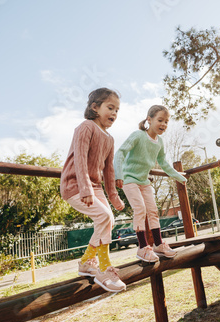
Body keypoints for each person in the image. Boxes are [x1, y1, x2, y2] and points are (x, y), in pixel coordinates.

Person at [60, 88, 126, 292]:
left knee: (109, 219)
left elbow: (109, 170)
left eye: (117, 110)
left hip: (94, 187)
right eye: (110, 107)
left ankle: (87, 261)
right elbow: (79, 158)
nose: (114, 113)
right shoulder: (85, 127)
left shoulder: (110, 139)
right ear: (94, 107)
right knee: (104, 216)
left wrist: (113, 196)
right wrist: (85, 188)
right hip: (75, 185)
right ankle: (104, 267)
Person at [114, 105, 187, 263]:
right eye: (160, 120)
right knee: (140, 209)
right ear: (149, 119)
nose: (163, 124)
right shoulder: (138, 136)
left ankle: (159, 244)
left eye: (166, 121)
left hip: (144, 181)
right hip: (129, 179)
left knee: (153, 211)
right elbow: (120, 153)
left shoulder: (159, 142)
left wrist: (178, 176)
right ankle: (142, 247)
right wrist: (118, 174)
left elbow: (163, 163)